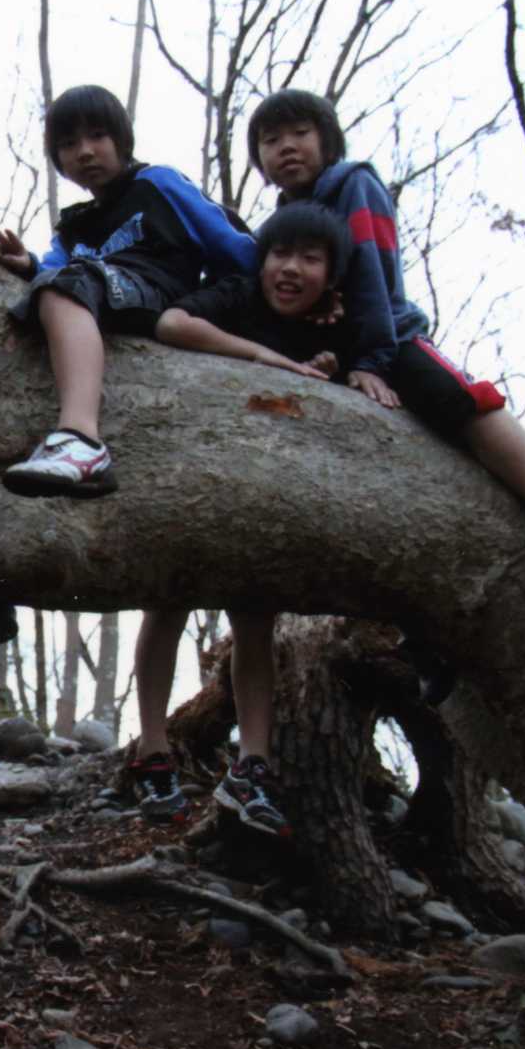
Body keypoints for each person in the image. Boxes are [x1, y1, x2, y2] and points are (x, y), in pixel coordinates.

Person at [0, 83, 259, 661]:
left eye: (97, 136)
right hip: (97, 303)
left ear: (122, 140)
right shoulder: (73, 226)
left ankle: (82, 439)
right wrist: (25, 264)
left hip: (155, 292)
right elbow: (52, 272)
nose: (85, 152)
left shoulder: (158, 184)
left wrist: (259, 300)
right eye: (68, 144)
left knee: (68, 286)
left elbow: (233, 245)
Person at [247, 88, 525, 614]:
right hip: (334, 353)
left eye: (300, 134)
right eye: (270, 140)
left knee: (455, 397)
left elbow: (374, 274)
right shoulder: (284, 218)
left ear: (328, 140)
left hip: (390, 337)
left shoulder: (355, 185)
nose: (286, 147)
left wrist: (374, 360)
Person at [127, 203, 352, 829]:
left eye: (310, 260)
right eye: (281, 254)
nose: (290, 269)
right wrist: (261, 357)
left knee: (255, 623)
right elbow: (172, 325)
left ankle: (252, 767)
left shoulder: (330, 324)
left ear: (331, 277)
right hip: (188, 478)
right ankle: (152, 751)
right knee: (165, 607)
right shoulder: (234, 296)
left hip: (262, 500)